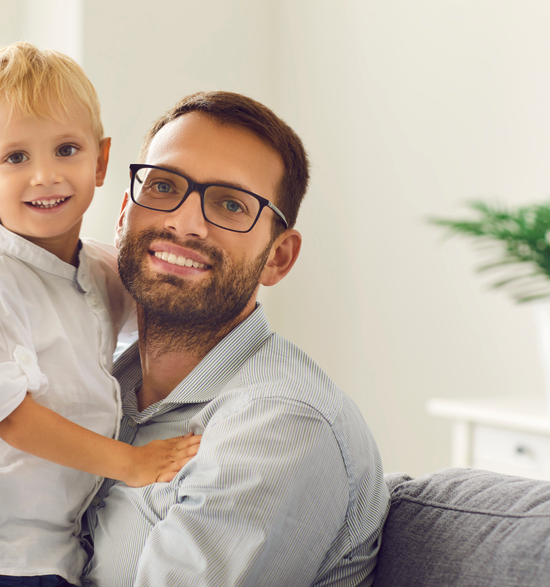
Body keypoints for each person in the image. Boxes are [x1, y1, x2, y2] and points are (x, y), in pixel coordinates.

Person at [0, 43, 200, 587]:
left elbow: (161, 310)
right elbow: (11, 418)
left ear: (100, 162)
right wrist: (131, 463)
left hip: (45, 549)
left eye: (66, 149)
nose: (45, 176)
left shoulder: (99, 269)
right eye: (15, 158)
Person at [82, 92, 389, 586]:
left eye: (229, 204)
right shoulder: (99, 384)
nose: (184, 222)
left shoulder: (279, 422)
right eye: (162, 186)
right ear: (123, 214)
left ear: (278, 257)